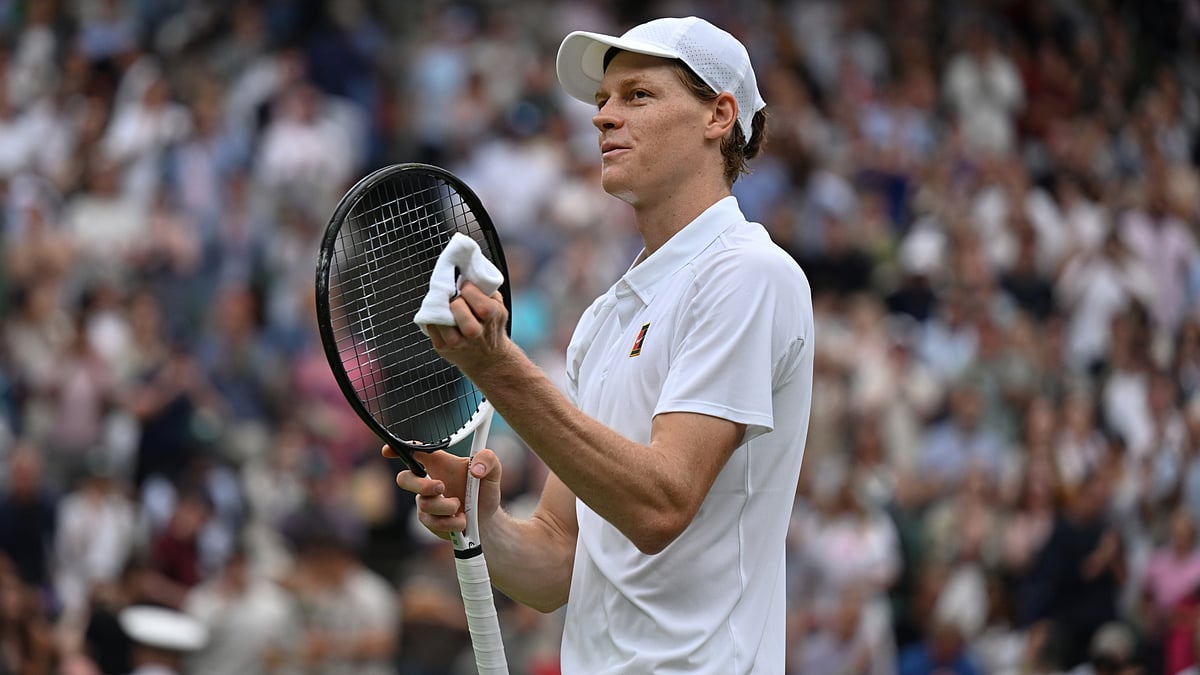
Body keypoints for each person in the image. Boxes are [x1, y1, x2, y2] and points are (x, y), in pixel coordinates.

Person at [393, 15, 814, 673]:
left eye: (637, 95)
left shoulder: (751, 274)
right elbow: (557, 560)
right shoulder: (602, 321)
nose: (604, 118)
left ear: (718, 116)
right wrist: (484, 521)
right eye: (602, 101)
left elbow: (659, 504)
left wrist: (498, 367)